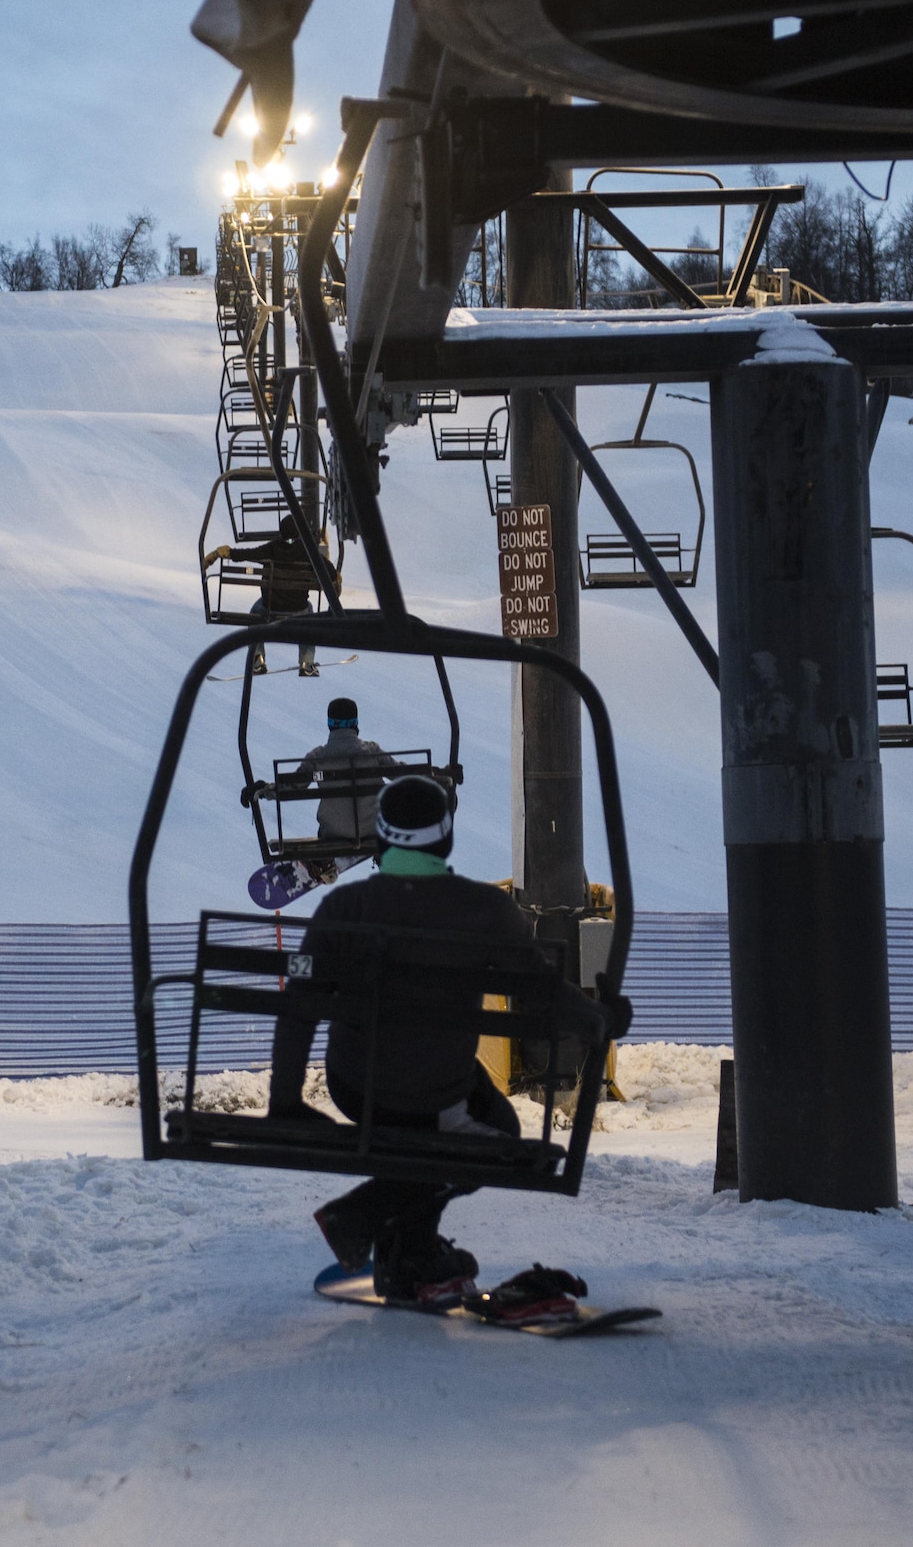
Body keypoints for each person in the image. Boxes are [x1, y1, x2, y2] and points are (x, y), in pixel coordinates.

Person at [268, 774, 631, 1305]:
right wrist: (600, 1018)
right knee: (497, 1141)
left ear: (384, 839)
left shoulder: (341, 911)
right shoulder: (485, 911)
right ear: (444, 838)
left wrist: (285, 1101)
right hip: (434, 1092)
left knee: (468, 1119)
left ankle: (404, 1250)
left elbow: (300, 1003)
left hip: (355, 1085)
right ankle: (376, 1224)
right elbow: (540, 994)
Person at [285, 699, 402, 877]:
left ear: (330, 724)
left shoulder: (318, 757)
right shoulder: (372, 752)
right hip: (373, 830)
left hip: (334, 833)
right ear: (355, 724)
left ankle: (323, 862)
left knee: (331, 825)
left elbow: (292, 786)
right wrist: (437, 777)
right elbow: (403, 775)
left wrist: (263, 790)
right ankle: (385, 859)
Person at [247, 515, 326, 678]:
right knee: (310, 617)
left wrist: (225, 553)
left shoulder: (271, 548)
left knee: (254, 613)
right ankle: (307, 662)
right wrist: (336, 578)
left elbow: (248, 553)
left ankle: (258, 659)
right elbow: (329, 569)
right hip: (299, 610)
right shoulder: (307, 551)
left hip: (270, 608)